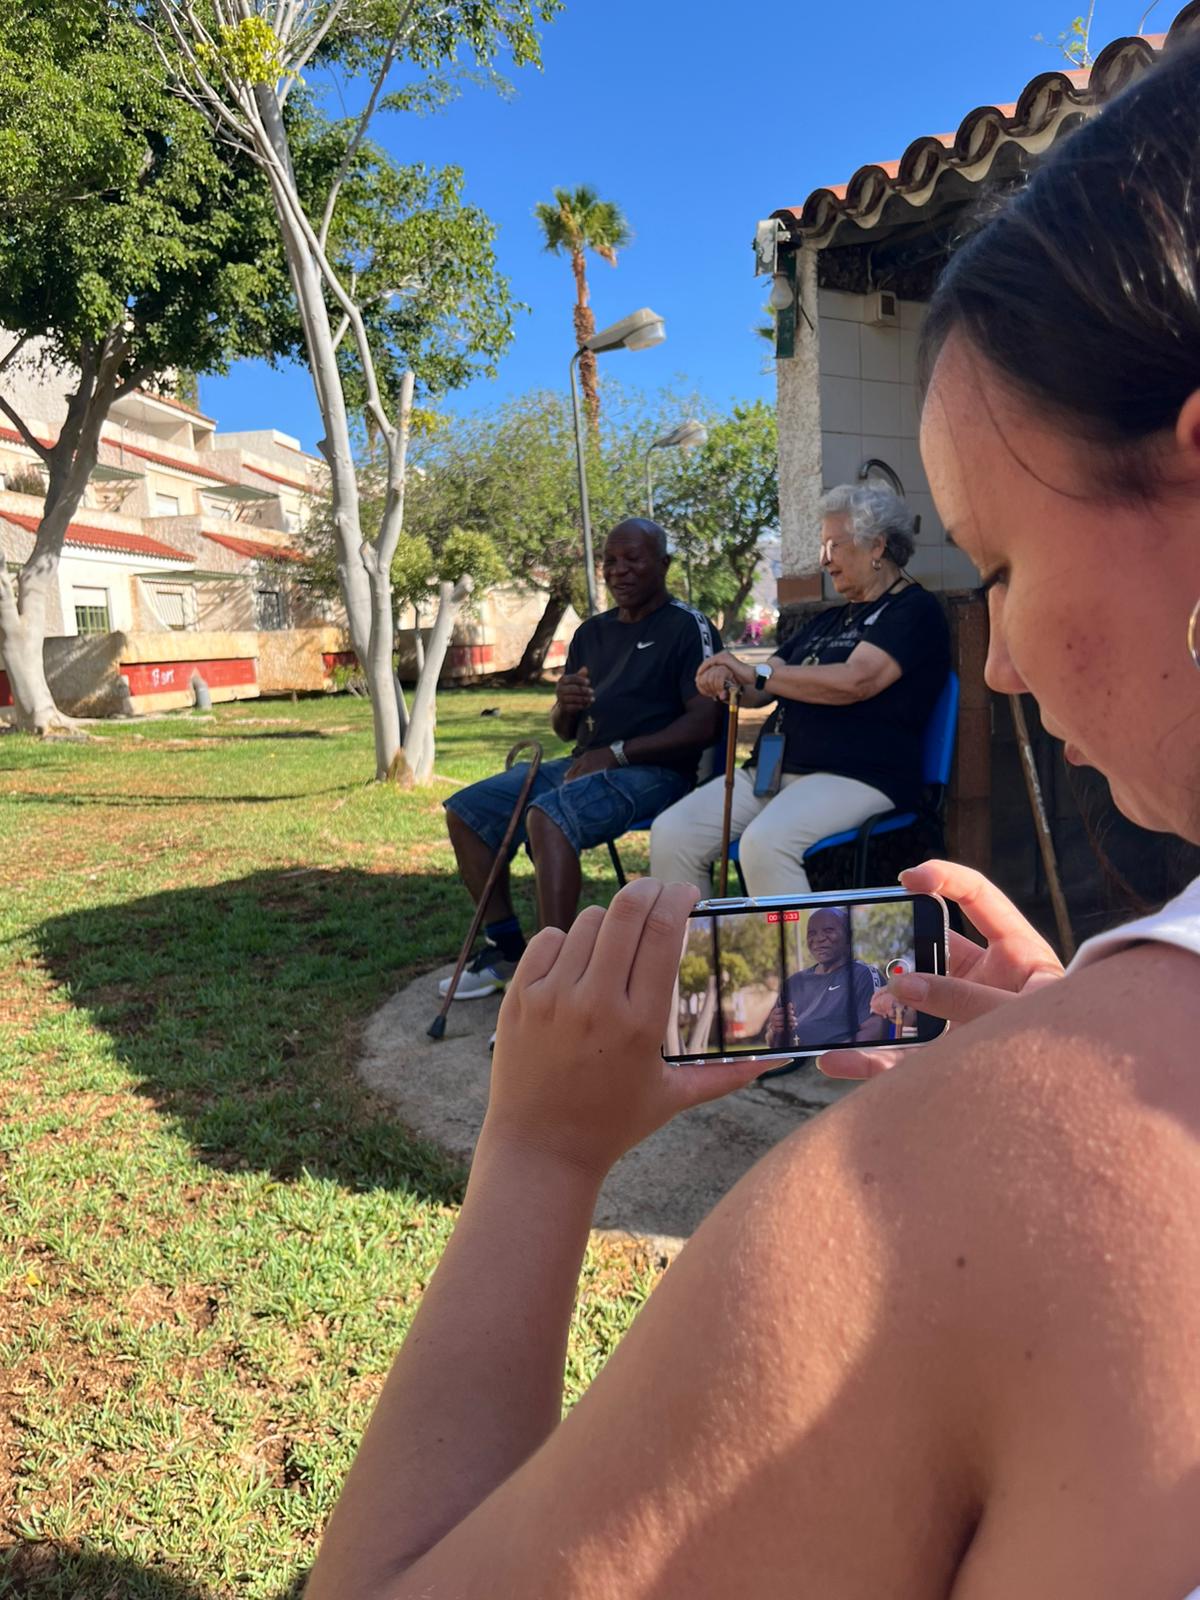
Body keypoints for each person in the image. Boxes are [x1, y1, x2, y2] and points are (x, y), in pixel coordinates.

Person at [307, 35, 1200, 1599]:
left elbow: (850, 685)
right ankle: (686, 978)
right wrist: (1075, 1026)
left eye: (1000, 567)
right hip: (790, 775)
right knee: (682, 836)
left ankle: (713, 1013)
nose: (1001, 646)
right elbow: (754, 684)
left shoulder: (898, 626)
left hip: (870, 786)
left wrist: (538, 1153)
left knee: (770, 837)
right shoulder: (783, 614)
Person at [440, 519, 721, 997]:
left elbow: (707, 723)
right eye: (610, 561)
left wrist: (618, 753)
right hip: (586, 762)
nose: (619, 570)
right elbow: (565, 729)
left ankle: (555, 979)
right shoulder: (591, 634)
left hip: (659, 772)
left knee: (549, 817)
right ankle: (506, 951)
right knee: (467, 812)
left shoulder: (686, 627)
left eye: (633, 559)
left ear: (664, 564)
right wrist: (564, 707)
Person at [649, 484, 950, 896]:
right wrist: (728, 678)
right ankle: (693, 938)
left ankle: (803, 942)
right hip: (773, 773)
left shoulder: (913, 610)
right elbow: (760, 687)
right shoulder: (827, 621)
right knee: (672, 832)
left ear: (877, 546)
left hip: (857, 775)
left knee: (765, 844)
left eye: (834, 546)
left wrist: (755, 674)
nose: (824, 560)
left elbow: (857, 681)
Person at [762, 906, 885, 1049]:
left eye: (828, 930)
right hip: (796, 1062)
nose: (819, 938)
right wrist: (775, 1030)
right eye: (812, 933)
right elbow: (773, 1044)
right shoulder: (793, 983)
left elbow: (874, 1033)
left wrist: (825, 1057)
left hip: (842, 1062)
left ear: (848, 936)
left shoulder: (864, 975)